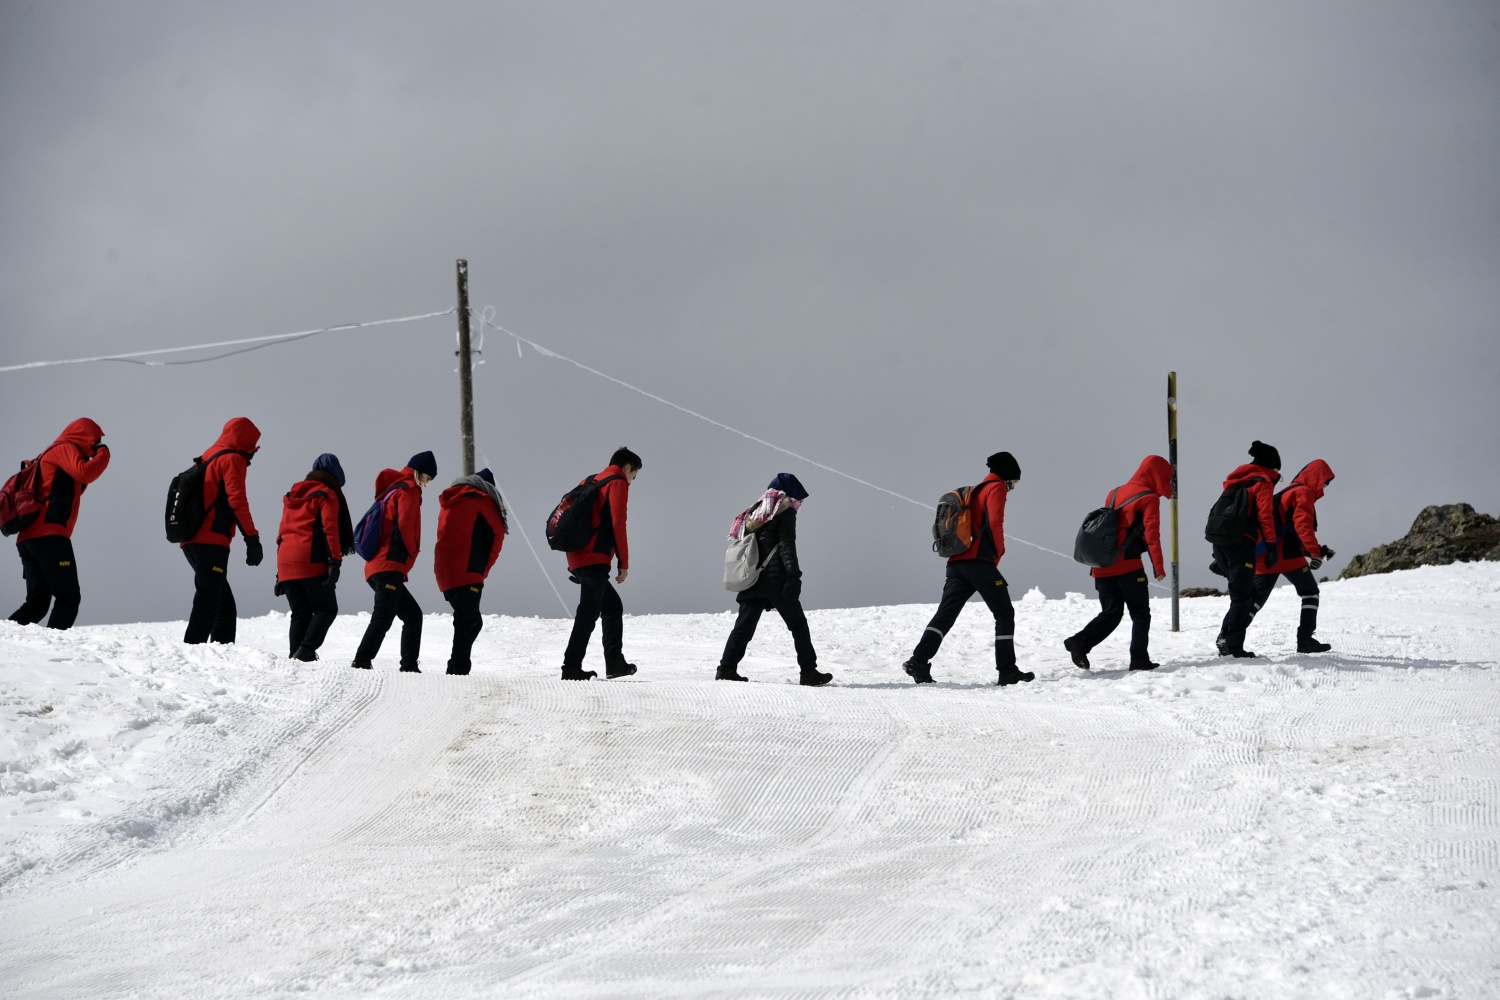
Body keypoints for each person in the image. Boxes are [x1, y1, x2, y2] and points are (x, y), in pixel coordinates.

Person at [903, 451, 1034, 686]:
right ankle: (1007, 671)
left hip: (956, 563)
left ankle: (918, 661)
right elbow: (995, 522)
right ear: (1007, 477)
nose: (1013, 487)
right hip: (979, 562)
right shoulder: (996, 488)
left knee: (945, 615)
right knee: (1004, 613)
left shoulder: (973, 491)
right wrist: (999, 551)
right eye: (1014, 482)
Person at [715, 474, 832, 686]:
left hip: (752, 577)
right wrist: (794, 575)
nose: (799, 502)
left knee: (743, 628)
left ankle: (726, 668)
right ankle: (808, 671)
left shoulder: (756, 511)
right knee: (798, 625)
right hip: (776, 580)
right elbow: (786, 544)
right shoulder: (784, 511)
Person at [1063, 456, 1173, 671]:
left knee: (1111, 612)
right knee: (1140, 614)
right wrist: (1158, 567)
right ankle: (1139, 660)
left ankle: (1080, 641)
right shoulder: (1149, 498)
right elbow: (1152, 534)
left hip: (1102, 565)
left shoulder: (1114, 492)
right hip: (1127, 564)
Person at [8, 418, 111, 630]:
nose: (96, 445)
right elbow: (86, 472)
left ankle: (5, 639)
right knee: (68, 597)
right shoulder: (65, 448)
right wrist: (104, 453)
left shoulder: (53, 454)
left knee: (37, 603)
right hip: (49, 537)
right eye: (95, 441)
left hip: (30, 539)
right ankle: (55, 646)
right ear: (86, 436)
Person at [560, 446, 641, 680]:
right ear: (627, 467)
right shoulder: (617, 482)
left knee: (611, 606)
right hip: (594, 556)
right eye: (633, 476)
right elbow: (618, 522)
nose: (632, 481)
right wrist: (623, 562)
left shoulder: (590, 481)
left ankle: (615, 663)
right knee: (589, 610)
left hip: (577, 555)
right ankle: (571, 667)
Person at [182, 417, 262, 645]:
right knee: (210, 601)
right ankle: (192, 650)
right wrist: (252, 539)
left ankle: (220, 654)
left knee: (222, 603)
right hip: (210, 540)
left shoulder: (208, 455)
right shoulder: (232, 458)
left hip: (191, 539)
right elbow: (237, 500)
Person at [352, 451, 435, 672]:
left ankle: (409, 665)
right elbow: (406, 524)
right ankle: (361, 661)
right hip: (389, 564)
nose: (426, 484)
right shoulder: (409, 489)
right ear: (419, 473)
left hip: (378, 565)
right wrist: (413, 550)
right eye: (427, 478)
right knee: (383, 615)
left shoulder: (391, 489)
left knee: (412, 616)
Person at [1248, 459, 1336, 653]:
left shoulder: (1287, 491)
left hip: (1266, 554)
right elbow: (1302, 526)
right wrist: (1314, 554)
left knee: (1254, 600)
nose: (1325, 487)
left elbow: (1288, 530)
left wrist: (1318, 550)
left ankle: (1230, 636)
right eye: (1325, 482)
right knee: (1310, 592)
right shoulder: (1303, 492)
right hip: (1287, 556)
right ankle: (1305, 640)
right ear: (1317, 478)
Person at [274, 453, 354, 661]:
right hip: (309, 558)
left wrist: (280, 573)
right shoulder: (326, 494)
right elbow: (330, 529)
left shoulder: (292, 495)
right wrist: (335, 561)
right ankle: (306, 650)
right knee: (326, 609)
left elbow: (282, 532)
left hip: (286, 561)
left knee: (300, 612)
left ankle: (295, 656)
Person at [1211, 440, 1282, 658]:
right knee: (1243, 596)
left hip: (1220, 543)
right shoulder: (1263, 482)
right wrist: (1271, 547)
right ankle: (1233, 646)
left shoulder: (1236, 481)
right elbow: (1265, 516)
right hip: (1241, 544)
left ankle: (1227, 638)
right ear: (1271, 466)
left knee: (1244, 593)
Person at [433, 467, 508, 675]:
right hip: (468, 570)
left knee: (471, 621)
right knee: (466, 622)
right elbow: (497, 535)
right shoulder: (483, 500)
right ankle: (458, 670)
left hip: (445, 571)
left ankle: (455, 665)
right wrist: (484, 569)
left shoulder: (449, 500)